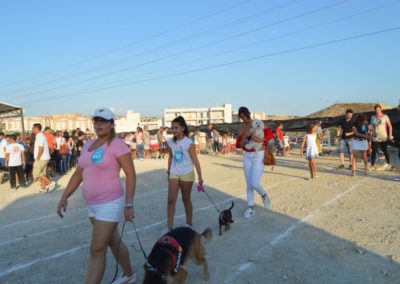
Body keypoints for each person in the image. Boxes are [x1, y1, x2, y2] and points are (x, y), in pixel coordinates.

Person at [57, 107, 137, 284]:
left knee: (96, 250)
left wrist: (129, 204)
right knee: (112, 240)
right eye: (96, 120)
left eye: (103, 120)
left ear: (111, 124)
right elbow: (78, 173)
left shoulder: (117, 145)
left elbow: (131, 174)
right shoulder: (87, 145)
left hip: (110, 203)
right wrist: (65, 196)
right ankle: (130, 275)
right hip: (92, 204)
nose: (99, 124)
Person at [164, 116, 203, 234]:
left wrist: (200, 177)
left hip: (187, 173)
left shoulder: (189, 143)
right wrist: (168, 171)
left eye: (176, 128)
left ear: (182, 128)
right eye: (172, 128)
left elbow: (195, 160)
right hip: (174, 172)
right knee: (171, 200)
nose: (174, 130)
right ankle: (169, 227)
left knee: (186, 199)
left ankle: (189, 223)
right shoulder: (170, 142)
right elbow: (170, 157)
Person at [236, 107, 274, 218]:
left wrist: (260, 140)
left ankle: (264, 195)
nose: (243, 119)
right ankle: (250, 207)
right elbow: (241, 145)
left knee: (255, 183)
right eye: (241, 117)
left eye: (244, 116)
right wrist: (245, 136)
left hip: (259, 155)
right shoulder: (242, 128)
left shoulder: (257, 123)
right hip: (247, 156)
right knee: (249, 184)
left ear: (248, 114)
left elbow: (270, 138)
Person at [32, 123, 56, 192]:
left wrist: (38, 158)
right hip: (44, 157)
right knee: (42, 173)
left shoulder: (40, 136)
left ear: (36, 128)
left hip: (41, 158)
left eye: (33, 128)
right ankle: (43, 188)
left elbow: (41, 148)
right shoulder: (40, 136)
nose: (32, 129)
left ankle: (51, 182)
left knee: (36, 173)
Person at [370, 104, 393, 170]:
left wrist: (390, 135)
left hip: (383, 136)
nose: (377, 111)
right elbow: (371, 126)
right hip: (375, 136)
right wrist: (370, 133)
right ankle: (372, 165)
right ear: (375, 110)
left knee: (385, 150)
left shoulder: (385, 116)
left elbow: (390, 126)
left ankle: (389, 164)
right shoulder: (373, 117)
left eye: (378, 109)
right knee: (374, 151)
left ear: (381, 109)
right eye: (376, 110)